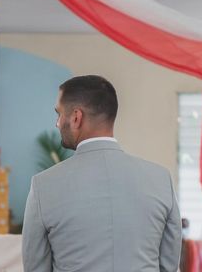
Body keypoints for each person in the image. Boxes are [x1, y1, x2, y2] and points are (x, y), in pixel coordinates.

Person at [23, 75, 182, 272]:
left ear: (76, 117)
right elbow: (169, 265)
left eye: (59, 114)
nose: (57, 123)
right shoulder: (161, 179)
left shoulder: (43, 186)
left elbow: (35, 268)